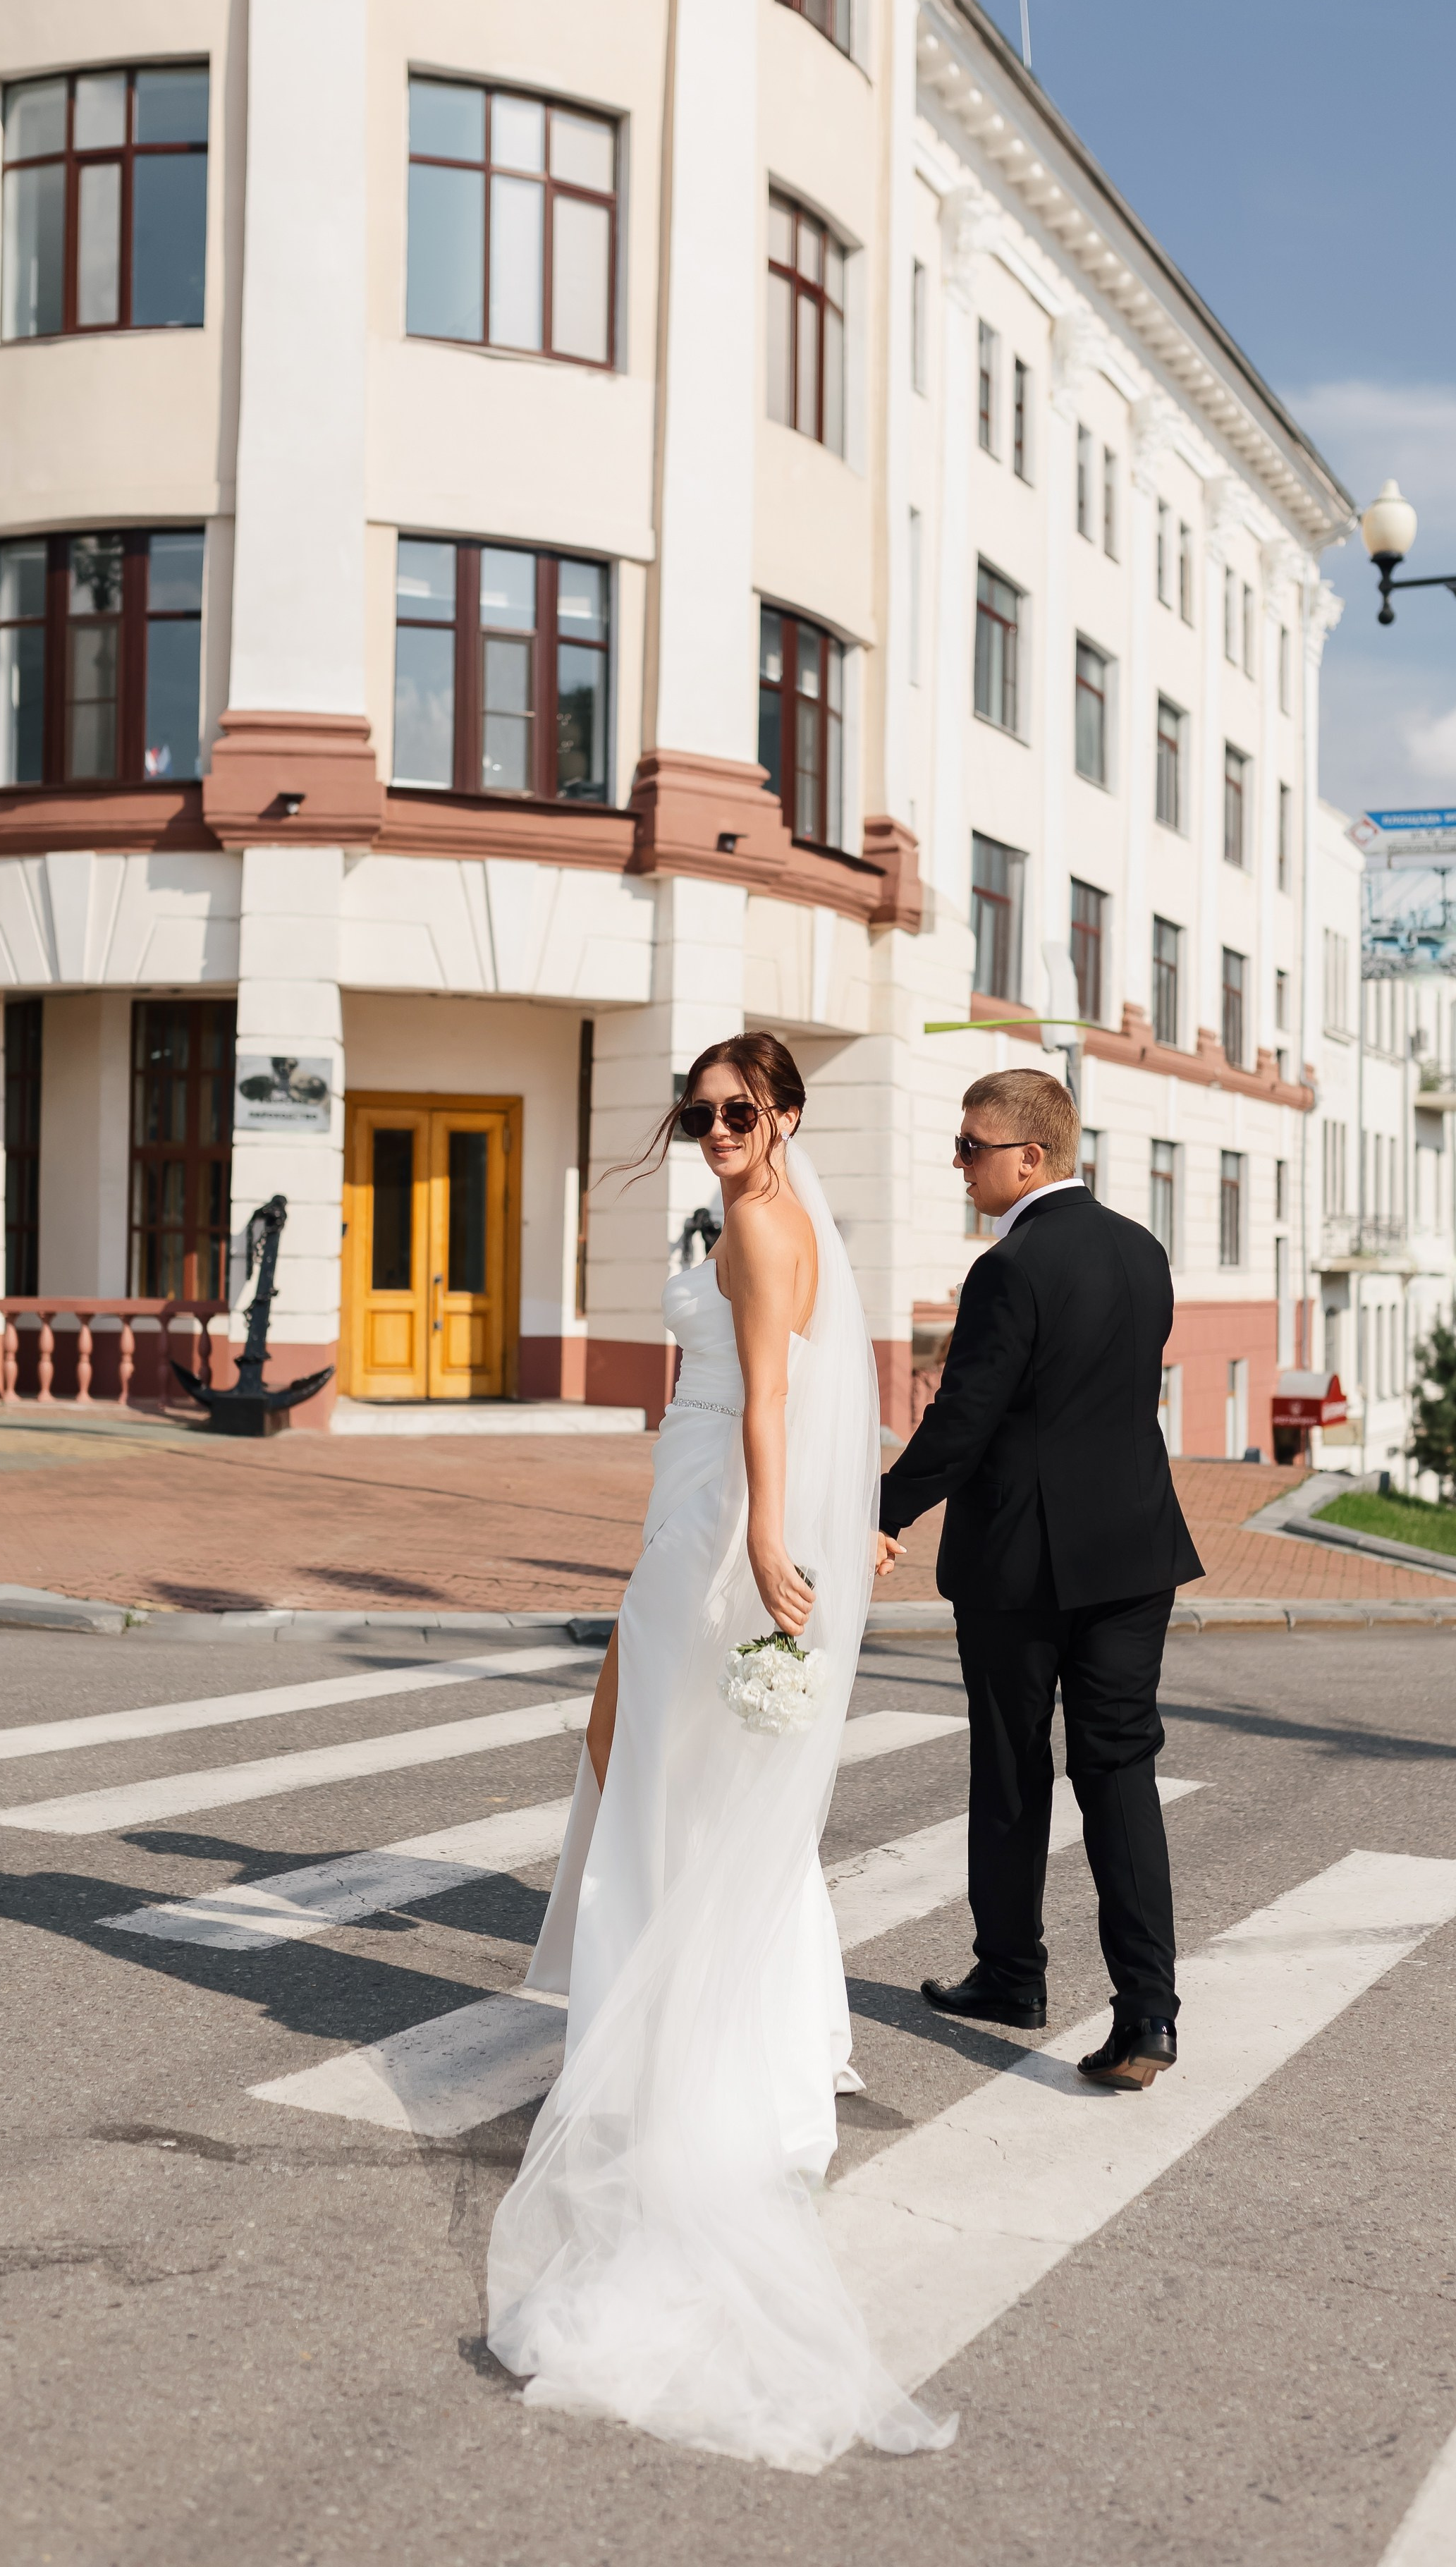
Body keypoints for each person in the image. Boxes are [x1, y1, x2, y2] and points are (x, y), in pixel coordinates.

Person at [488, 1033, 953, 2471]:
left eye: (736, 1113)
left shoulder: (759, 1224)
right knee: (697, 1787)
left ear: (786, 1115)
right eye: (696, 1115)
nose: (714, 1133)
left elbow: (767, 1396)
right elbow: (822, 1389)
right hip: (710, 1498)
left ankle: (669, 2059)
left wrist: (764, 1538)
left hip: (712, 1521)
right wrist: (825, 1519)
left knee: (660, 1787)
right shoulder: (786, 1215)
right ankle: (762, 2059)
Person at [877, 1068, 1203, 2090]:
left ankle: (1013, 1977)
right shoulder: (1143, 1250)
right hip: (1136, 1554)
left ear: (1029, 1157)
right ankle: (1148, 2014)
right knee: (1120, 1771)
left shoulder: (1009, 1266)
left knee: (1014, 1769)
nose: (959, 1164)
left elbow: (964, 1419)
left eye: (970, 1146)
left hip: (1022, 1565)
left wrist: (880, 1511)